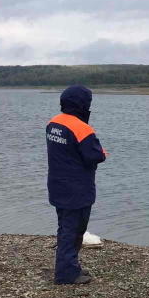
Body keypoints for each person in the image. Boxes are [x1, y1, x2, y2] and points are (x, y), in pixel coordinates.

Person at [46, 85, 107, 285]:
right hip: (77, 189)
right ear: (83, 105)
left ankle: (69, 265)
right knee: (73, 230)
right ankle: (66, 274)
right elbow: (96, 156)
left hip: (57, 185)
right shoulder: (82, 128)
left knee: (65, 227)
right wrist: (102, 151)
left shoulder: (53, 123)